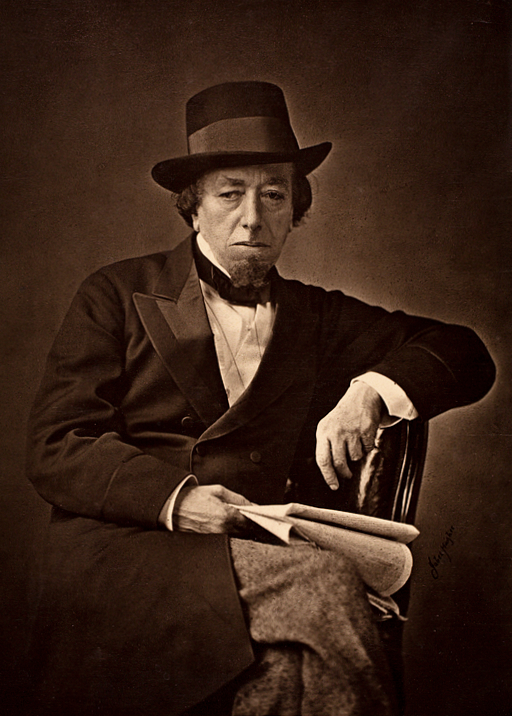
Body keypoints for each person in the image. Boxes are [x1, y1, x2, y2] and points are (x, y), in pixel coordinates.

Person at [26, 81, 495, 716]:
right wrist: (178, 501)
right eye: (230, 194)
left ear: (295, 208)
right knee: (327, 583)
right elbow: (57, 444)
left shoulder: (317, 317)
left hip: (256, 548)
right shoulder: (114, 293)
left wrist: (371, 391)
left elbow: (465, 353)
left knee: (285, 677)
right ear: (194, 208)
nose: (253, 217)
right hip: (133, 547)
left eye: (274, 195)